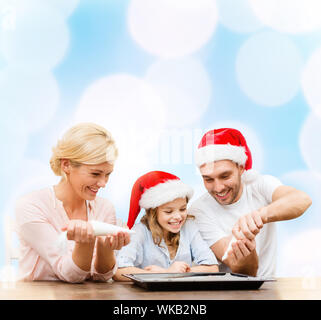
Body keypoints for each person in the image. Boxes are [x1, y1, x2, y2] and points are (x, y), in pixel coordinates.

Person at [188, 128, 312, 277]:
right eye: (208, 179)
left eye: (225, 176)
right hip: (227, 292)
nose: (218, 188)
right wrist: (246, 247)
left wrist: (259, 216)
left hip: (268, 289)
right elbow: (244, 272)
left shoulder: (259, 185)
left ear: (240, 168)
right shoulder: (198, 211)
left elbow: (302, 199)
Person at [15, 123, 130, 283]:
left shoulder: (105, 208)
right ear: (66, 165)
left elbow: (102, 277)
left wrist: (106, 248)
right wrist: (86, 243)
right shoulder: (31, 206)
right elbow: (69, 274)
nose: (103, 183)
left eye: (108, 174)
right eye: (95, 174)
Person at [113, 171, 218, 281]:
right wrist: (166, 273)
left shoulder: (189, 226)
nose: (178, 216)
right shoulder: (140, 231)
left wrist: (175, 273)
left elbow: (212, 268)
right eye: (168, 211)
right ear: (153, 213)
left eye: (182, 209)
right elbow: (119, 272)